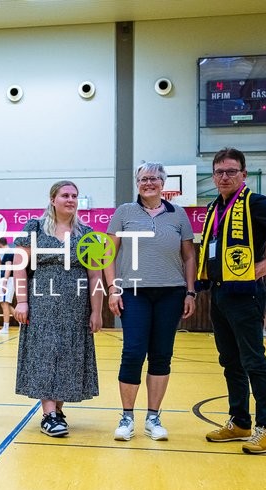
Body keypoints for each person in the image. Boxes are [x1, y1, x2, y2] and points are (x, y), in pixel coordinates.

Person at [197, 147, 266, 454]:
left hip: (245, 294)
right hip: (219, 292)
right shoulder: (214, 207)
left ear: (244, 174)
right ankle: (240, 422)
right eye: (219, 172)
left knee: (254, 361)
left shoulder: (255, 202)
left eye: (231, 171)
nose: (224, 177)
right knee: (230, 361)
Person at [104, 162, 196, 442]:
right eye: (143, 179)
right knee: (133, 353)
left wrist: (190, 292)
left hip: (171, 293)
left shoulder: (178, 214)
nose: (149, 183)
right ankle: (127, 417)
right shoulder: (124, 212)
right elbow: (108, 254)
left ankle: (153, 417)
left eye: (154, 178)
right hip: (133, 292)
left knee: (161, 354)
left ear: (163, 183)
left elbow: (189, 256)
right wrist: (113, 288)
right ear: (137, 183)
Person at [12, 180, 103, 437]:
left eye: (74, 196)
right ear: (53, 199)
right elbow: (19, 266)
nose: (70, 200)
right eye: (65, 195)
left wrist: (96, 311)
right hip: (42, 302)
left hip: (76, 305)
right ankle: (49, 414)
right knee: (44, 354)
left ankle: (58, 411)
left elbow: (95, 274)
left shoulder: (87, 233)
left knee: (68, 356)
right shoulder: (35, 227)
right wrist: (22, 301)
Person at [0, 237, 15, 335]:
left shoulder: (9, 252)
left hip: (8, 280)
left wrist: (4, 282)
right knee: (4, 303)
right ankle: (22, 321)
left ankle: (5, 328)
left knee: (4, 303)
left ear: (0, 244)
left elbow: (8, 268)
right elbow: (0, 265)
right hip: (7, 279)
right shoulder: (6, 253)